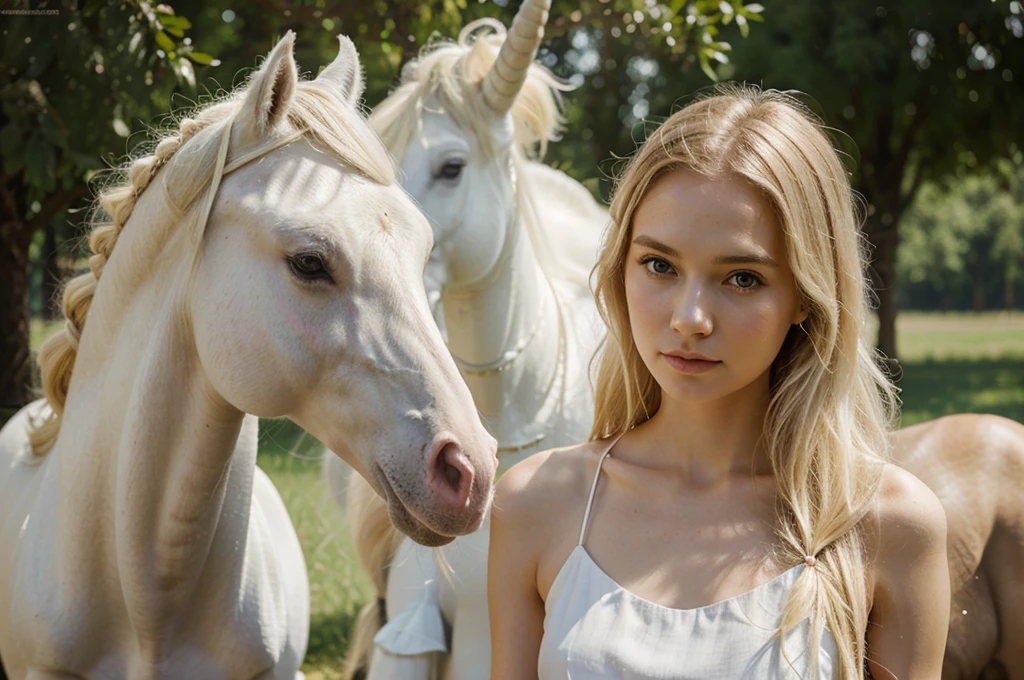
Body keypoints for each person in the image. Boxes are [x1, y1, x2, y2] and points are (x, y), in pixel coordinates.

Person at [488, 85, 950, 679]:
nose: (689, 318)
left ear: (806, 297)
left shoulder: (886, 522)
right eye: (659, 266)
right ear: (620, 271)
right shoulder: (536, 502)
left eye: (741, 278)